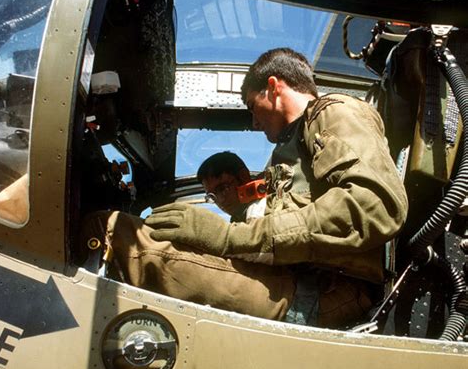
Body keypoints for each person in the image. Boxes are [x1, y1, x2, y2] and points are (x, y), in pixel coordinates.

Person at [82, 48, 408, 328]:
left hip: (327, 291)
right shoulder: (292, 148)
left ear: (273, 87)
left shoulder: (334, 112)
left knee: (112, 232)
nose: (253, 122)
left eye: (252, 106)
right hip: (303, 281)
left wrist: (229, 238)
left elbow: (374, 205)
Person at [197, 151, 266, 222]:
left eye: (222, 188)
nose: (221, 200)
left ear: (243, 176)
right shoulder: (238, 220)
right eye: (212, 196)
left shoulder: (265, 209)